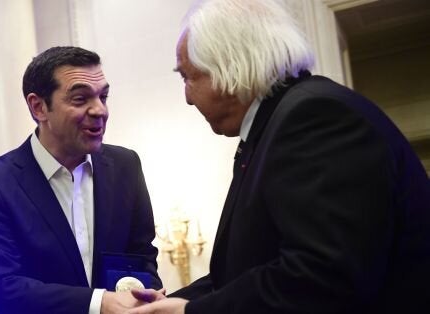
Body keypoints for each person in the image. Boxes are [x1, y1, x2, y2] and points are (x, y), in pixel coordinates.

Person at [128, 0, 430, 313]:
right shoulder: (272, 127)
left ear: (230, 64)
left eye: (188, 77)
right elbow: (241, 272)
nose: (188, 97)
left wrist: (189, 312)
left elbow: (322, 278)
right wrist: (176, 301)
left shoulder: (314, 117)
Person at [0, 46, 162, 314]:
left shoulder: (126, 166)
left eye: (103, 97)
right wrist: (98, 303)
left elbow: (142, 259)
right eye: (81, 99)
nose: (99, 110)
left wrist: (145, 298)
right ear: (39, 107)